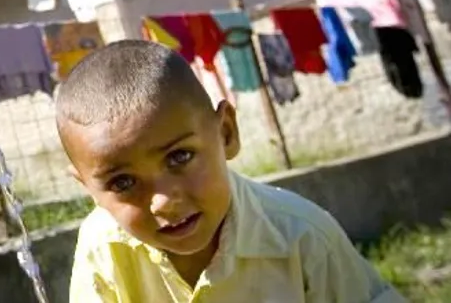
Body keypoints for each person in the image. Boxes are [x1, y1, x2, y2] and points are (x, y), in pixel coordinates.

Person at [57, 40, 402, 302]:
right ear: (89, 189)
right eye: (123, 182)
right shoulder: (102, 246)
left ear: (226, 133)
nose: (162, 202)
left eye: (179, 157)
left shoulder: (303, 236)